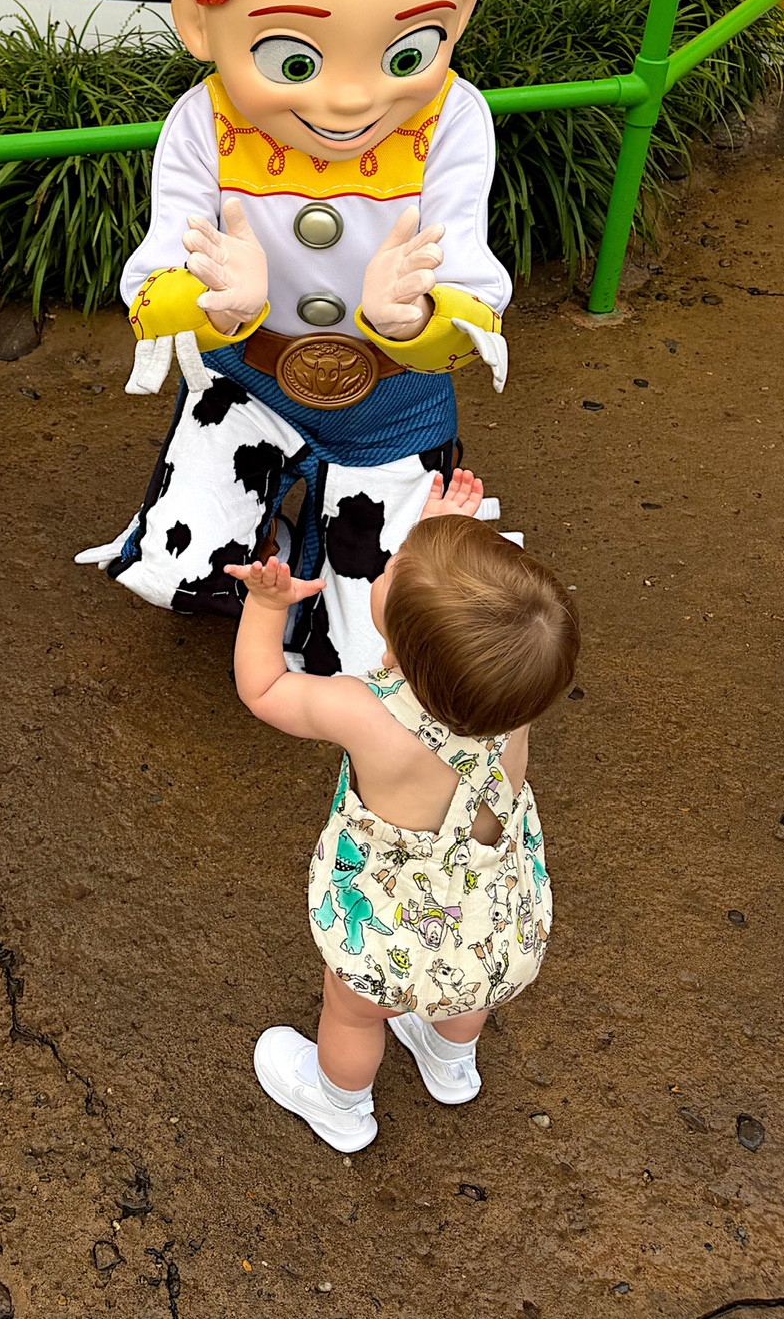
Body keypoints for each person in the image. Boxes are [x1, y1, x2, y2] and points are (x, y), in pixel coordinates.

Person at [66, 0, 613, 675]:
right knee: (192, 556)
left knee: (378, 645)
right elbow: (156, 272)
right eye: (292, 57)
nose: (355, 99)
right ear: (198, 23)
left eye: (408, 52)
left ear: (461, 9)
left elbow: (470, 284)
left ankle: (345, 569)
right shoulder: (202, 120)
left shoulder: (453, 118)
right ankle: (243, 544)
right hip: (249, 375)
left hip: (390, 397)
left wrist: (419, 323)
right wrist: (210, 307)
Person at [225, 468, 575, 1153]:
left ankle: (339, 1105)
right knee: (464, 989)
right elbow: (473, 630)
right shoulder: (514, 698)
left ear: (397, 643)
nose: (384, 566)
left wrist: (267, 611)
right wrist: (445, 540)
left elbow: (263, 687)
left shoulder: (362, 710)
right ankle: (449, 1067)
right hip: (490, 919)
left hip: (385, 927)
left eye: (391, 570)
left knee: (352, 1016)